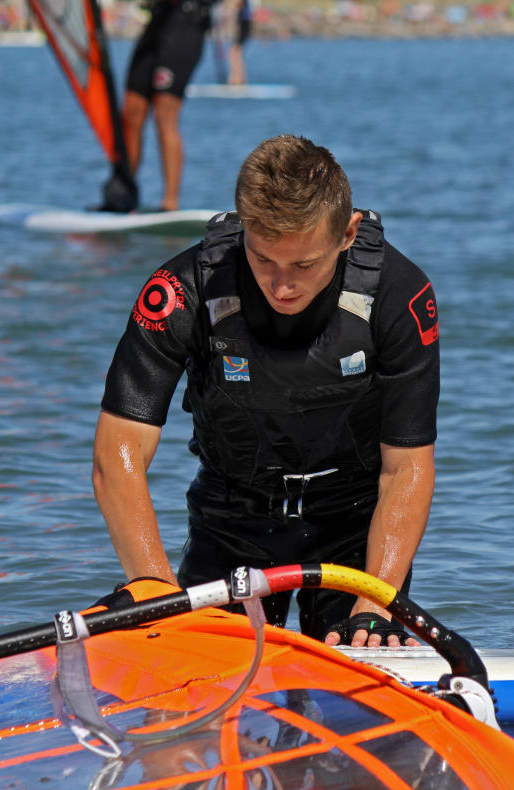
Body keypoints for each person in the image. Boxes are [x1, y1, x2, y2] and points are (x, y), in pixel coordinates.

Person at [93, 134, 439, 648]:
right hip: (231, 518)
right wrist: (156, 587)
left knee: (360, 655)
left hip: (354, 525)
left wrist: (375, 603)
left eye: (303, 265)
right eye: (263, 260)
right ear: (243, 230)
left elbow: (407, 467)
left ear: (347, 234)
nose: (282, 287)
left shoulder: (399, 295)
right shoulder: (182, 291)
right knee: (197, 670)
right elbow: (117, 452)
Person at [112, 0, 215, 212]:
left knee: (164, 114)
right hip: (157, 23)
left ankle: (170, 203)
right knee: (131, 111)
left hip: (186, 24)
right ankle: (124, 195)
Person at [227, 0, 252, 85]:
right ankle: (240, 78)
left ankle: (237, 78)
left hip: (243, 29)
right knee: (236, 53)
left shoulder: (243, 5)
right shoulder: (245, 6)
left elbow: (237, 5)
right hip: (243, 28)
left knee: (235, 52)